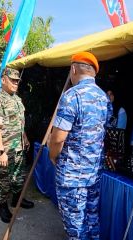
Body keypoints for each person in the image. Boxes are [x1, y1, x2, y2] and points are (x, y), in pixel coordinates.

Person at [48, 51, 111, 239]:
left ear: (73, 69)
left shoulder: (71, 96)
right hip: (94, 173)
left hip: (72, 176)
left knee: (75, 225)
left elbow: (58, 138)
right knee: (91, 220)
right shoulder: (104, 98)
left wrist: (52, 155)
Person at [0, 67, 34, 224]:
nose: (16, 83)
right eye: (12, 80)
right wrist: (1, 151)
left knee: (19, 175)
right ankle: (2, 206)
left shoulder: (17, 99)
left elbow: (20, 123)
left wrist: (25, 138)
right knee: (4, 178)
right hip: (6, 147)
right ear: (3, 80)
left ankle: (17, 200)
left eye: (17, 80)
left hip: (19, 145)